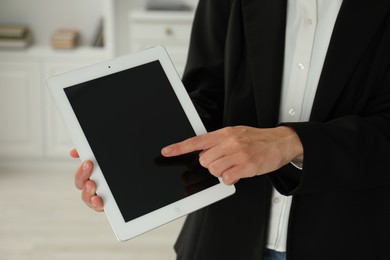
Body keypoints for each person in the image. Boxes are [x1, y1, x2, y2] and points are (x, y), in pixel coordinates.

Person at [71, 0, 390, 259]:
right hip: (222, 237)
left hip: (352, 237)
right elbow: (205, 95)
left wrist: (293, 142)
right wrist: (133, 154)